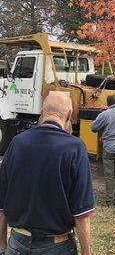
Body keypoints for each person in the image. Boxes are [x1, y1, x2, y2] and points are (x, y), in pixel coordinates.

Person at [0, 91, 95, 255]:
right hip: (57, 246)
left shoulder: (17, 143)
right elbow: (82, 213)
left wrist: (1, 244)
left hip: (17, 244)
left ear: (42, 112)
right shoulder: (75, 148)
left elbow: (1, 204)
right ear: (70, 114)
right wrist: (86, 252)